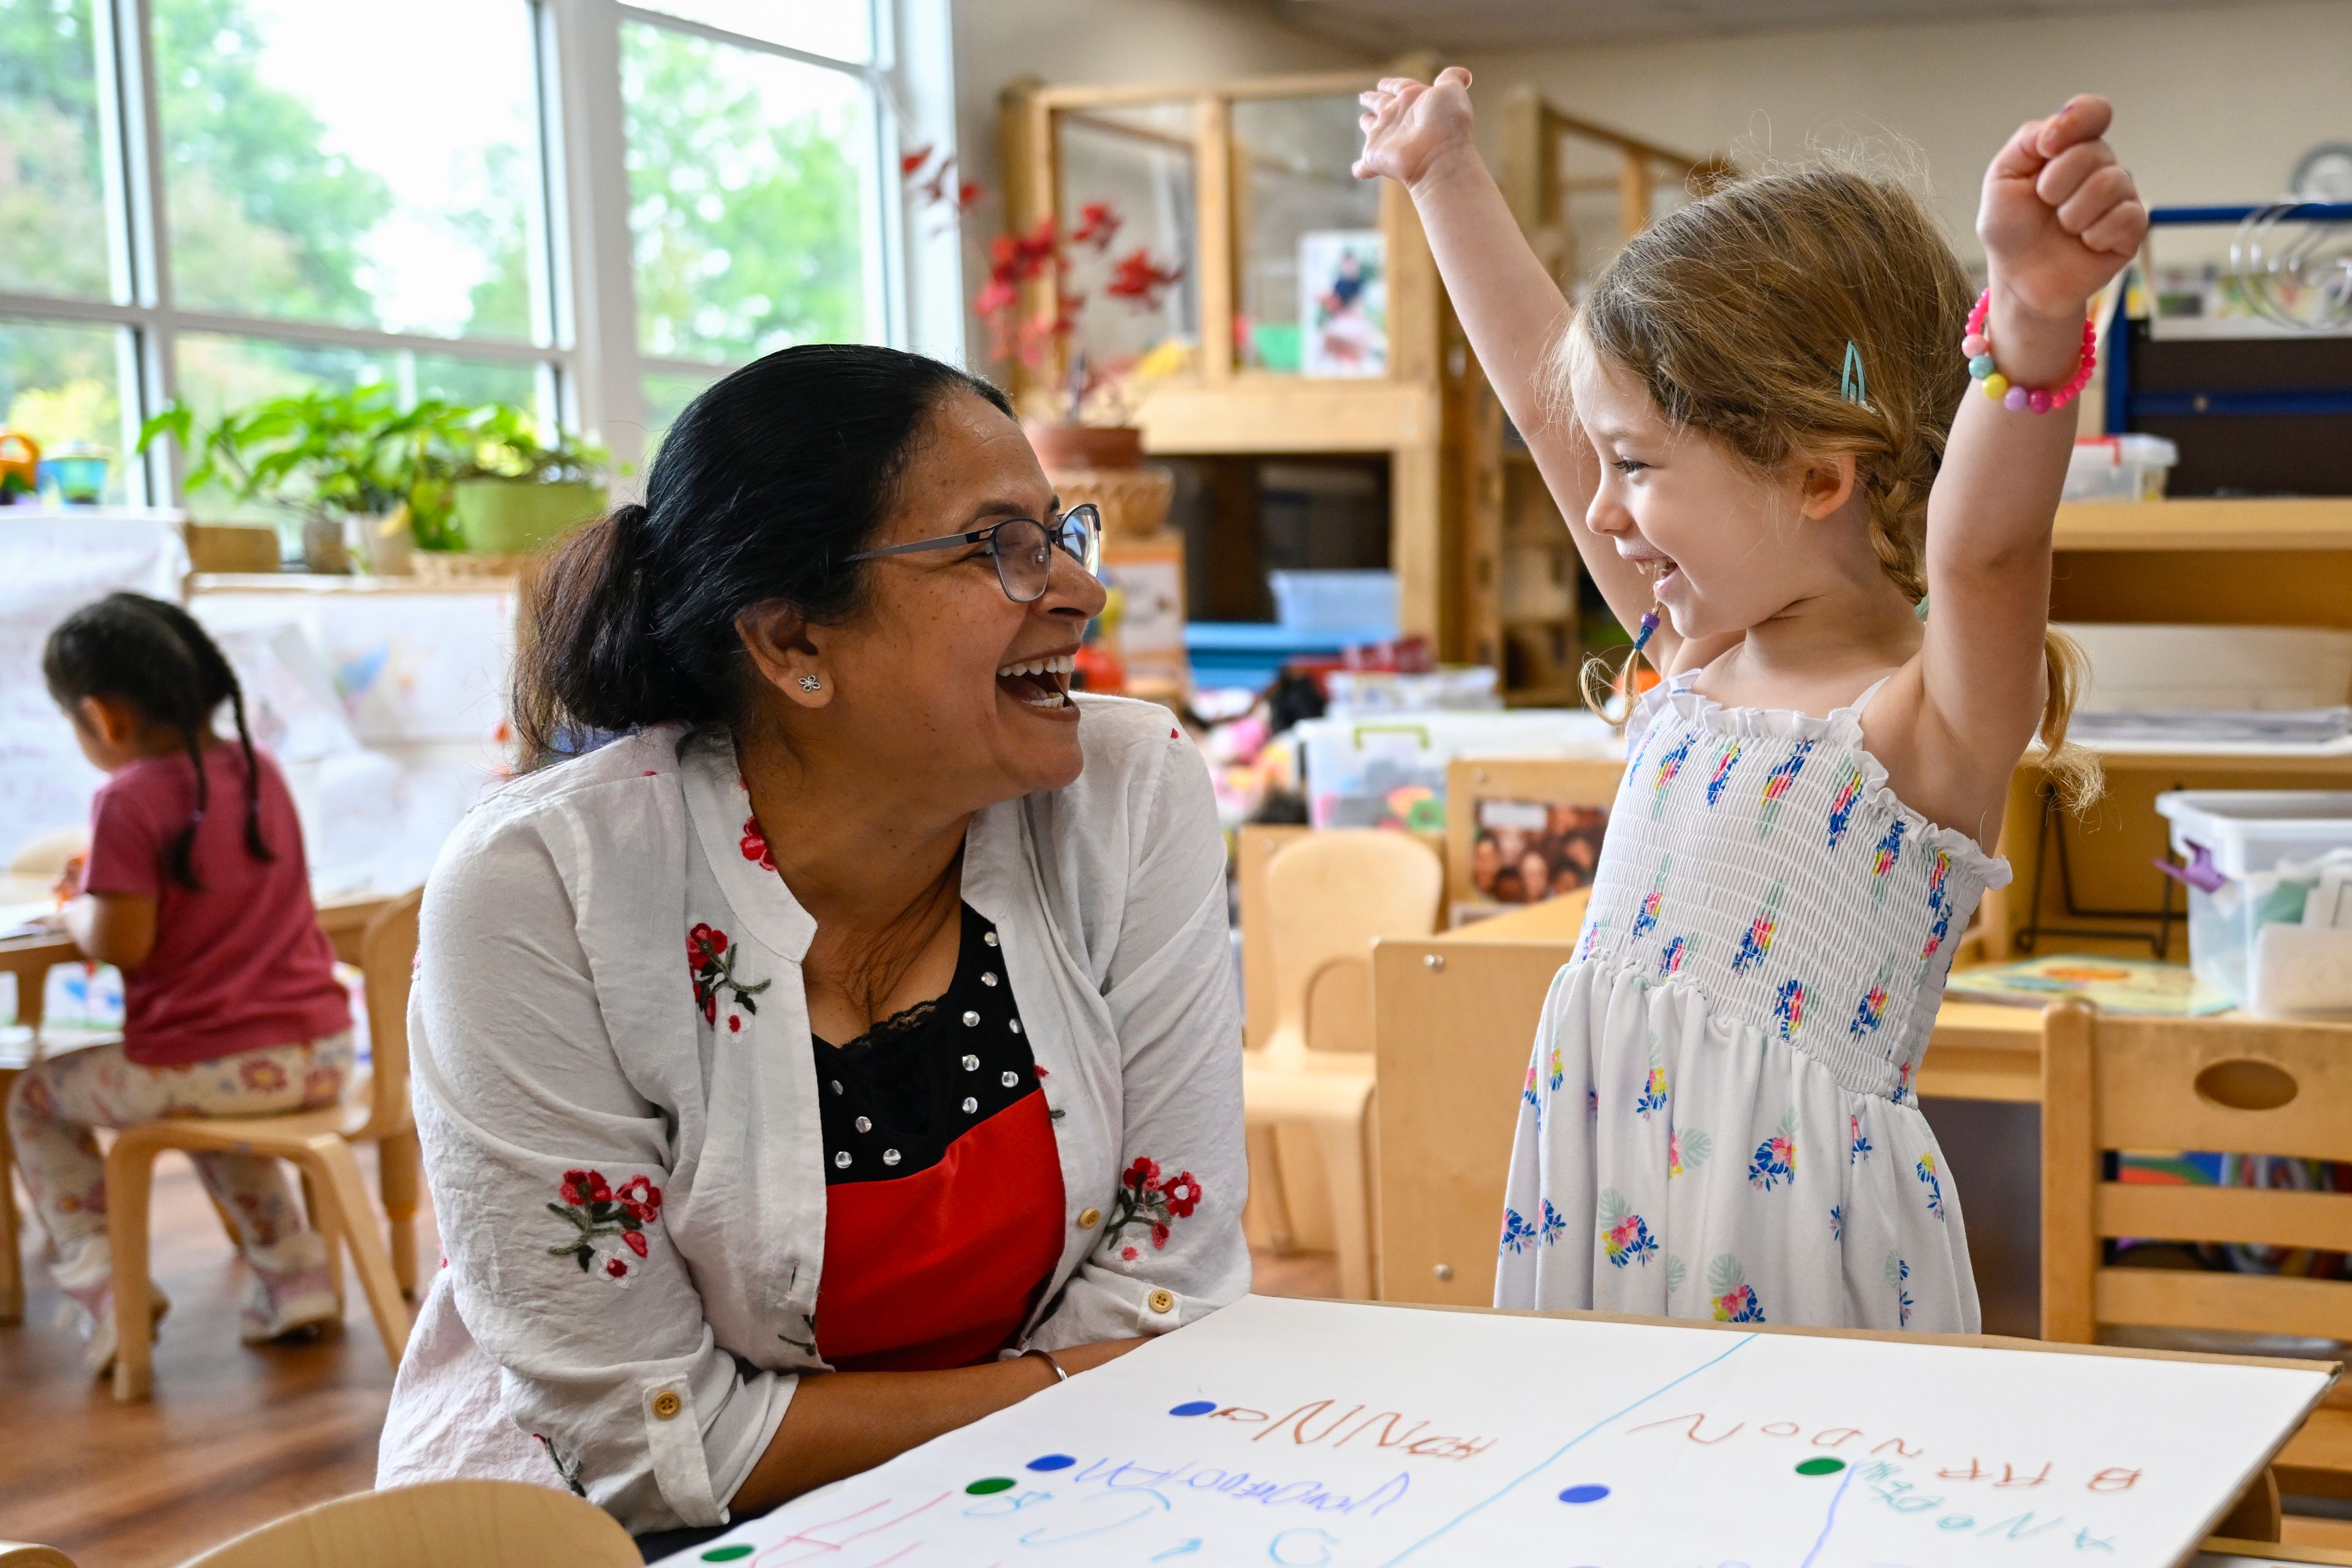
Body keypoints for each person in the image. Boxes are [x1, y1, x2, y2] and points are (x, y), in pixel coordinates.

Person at [375, 344, 1248, 1549]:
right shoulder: (547, 886)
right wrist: (1054, 1397)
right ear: (792, 643)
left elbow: (1169, 1291)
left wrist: (1027, 1452)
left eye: (1061, 532)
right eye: (999, 544)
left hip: (1044, 1499)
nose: (1079, 590)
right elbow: (648, 1444)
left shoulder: (1127, 790)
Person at [1357, 70, 2144, 1330]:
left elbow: (1984, 550)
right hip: (1610, 1195)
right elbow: (1541, 399)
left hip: (1788, 1249)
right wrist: (1443, 171)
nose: (1600, 510)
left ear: (1819, 473)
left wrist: (2037, 323)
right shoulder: (1693, 649)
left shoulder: (1921, 723)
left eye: (1639, 467)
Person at [13, 592, 353, 1370]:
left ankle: (101, 1280)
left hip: (211, 1065)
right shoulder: (261, 771)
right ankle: (293, 1273)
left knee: (33, 1100)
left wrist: (76, 910)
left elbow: (122, 943)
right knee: (203, 1099)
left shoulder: (129, 798)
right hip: (320, 1051)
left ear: (103, 718)